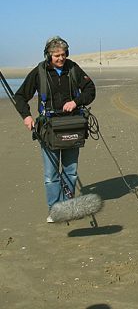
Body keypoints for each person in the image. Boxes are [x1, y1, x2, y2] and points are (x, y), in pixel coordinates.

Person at [14, 36, 96, 223]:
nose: (61, 58)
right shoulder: (39, 72)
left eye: (63, 54)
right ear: (48, 55)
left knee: (71, 171)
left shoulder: (73, 68)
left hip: (73, 125)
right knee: (51, 175)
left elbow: (90, 90)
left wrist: (76, 102)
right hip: (48, 129)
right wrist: (26, 116)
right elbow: (20, 96)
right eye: (56, 55)